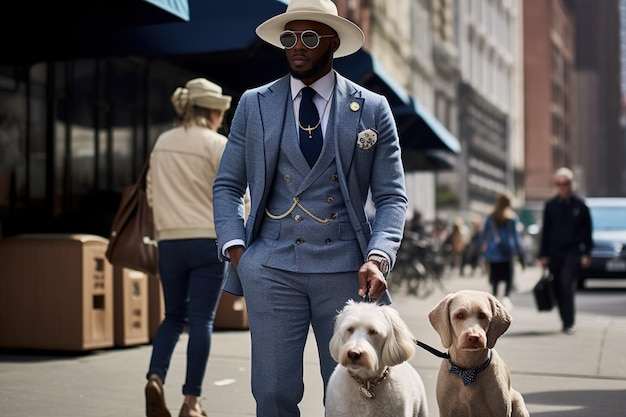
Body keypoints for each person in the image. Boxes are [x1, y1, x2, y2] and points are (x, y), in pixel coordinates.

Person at [212, 0, 408, 415]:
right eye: (289, 38)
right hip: (270, 267)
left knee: (347, 392)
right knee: (272, 392)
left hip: (344, 270)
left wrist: (378, 256)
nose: (297, 46)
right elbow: (228, 184)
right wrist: (237, 250)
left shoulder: (372, 108)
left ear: (333, 41)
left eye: (310, 37)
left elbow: (391, 196)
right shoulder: (254, 103)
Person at [144, 78, 233, 417]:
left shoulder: (161, 142)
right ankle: (191, 402)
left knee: (172, 316)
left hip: (169, 241)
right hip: (207, 241)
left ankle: (155, 377)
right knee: (201, 321)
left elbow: (151, 194)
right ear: (211, 111)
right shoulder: (217, 144)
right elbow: (237, 194)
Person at [539, 167, 592, 335]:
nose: (562, 187)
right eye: (559, 184)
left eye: (565, 183)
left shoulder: (580, 206)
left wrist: (586, 253)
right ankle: (564, 319)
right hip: (554, 253)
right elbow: (545, 232)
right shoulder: (550, 206)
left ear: (571, 184)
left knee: (566, 284)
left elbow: (587, 232)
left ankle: (569, 322)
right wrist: (543, 254)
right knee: (557, 287)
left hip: (573, 252)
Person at [477, 191, 524, 309]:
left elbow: (483, 236)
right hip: (507, 252)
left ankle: (493, 300)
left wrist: (480, 250)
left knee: (495, 278)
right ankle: (506, 298)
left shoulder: (491, 217)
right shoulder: (512, 218)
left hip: (493, 253)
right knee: (508, 277)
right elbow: (516, 238)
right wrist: (520, 252)